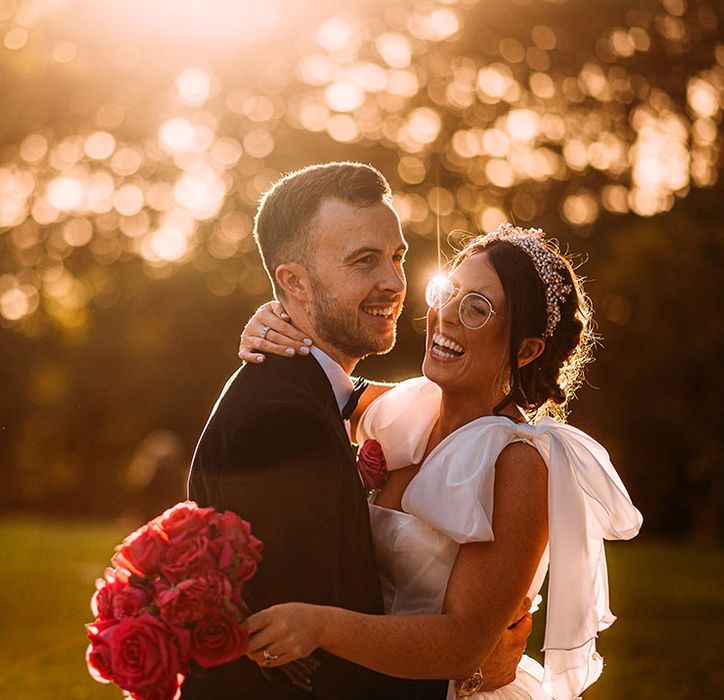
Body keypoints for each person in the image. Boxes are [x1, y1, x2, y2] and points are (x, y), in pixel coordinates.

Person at [238, 224, 643, 699]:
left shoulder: (517, 463)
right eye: (447, 291)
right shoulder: (410, 406)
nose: (445, 316)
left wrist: (320, 627)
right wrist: (272, 319)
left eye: (476, 308)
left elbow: (463, 642)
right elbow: (320, 391)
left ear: (527, 349)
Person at [184, 162, 531, 700]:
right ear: (293, 282)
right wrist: (465, 675)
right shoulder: (285, 420)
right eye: (364, 261)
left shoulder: (340, 400)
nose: (394, 282)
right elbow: (308, 665)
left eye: (397, 258)